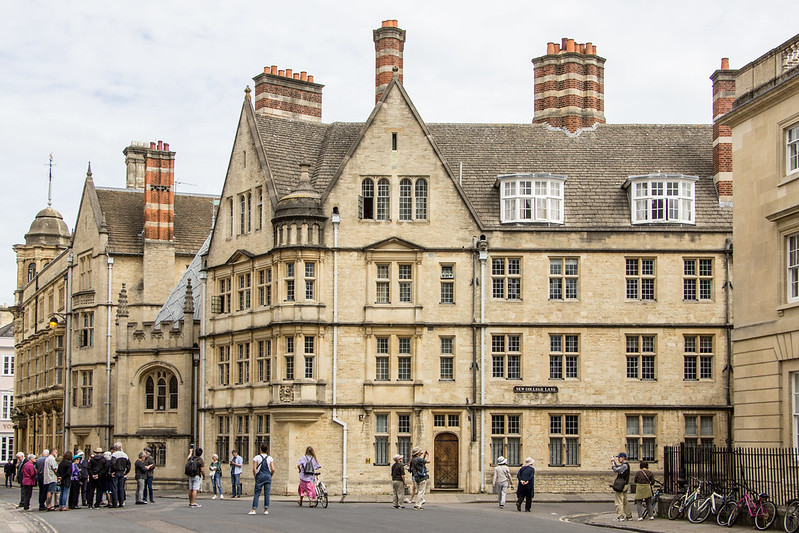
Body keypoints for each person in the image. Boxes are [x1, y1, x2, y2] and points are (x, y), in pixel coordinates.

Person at [249, 443, 274, 515]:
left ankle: (254, 509)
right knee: (267, 493)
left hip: (260, 475)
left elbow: (254, 469)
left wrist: (255, 476)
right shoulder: (270, 458)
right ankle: (266, 509)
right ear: (267, 450)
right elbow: (273, 469)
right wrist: (270, 475)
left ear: (260, 449)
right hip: (267, 476)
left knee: (257, 493)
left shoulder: (256, 457)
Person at [611, 452, 632, 521]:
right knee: (625, 501)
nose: (618, 459)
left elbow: (616, 470)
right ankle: (629, 516)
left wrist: (613, 464)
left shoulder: (624, 465)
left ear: (623, 457)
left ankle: (620, 516)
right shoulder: (625, 465)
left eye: (619, 457)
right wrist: (614, 463)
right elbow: (618, 467)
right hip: (625, 485)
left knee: (618, 500)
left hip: (621, 485)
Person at [110, 442, 131, 508]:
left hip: (116, 472)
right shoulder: (125, 455)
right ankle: (121, 503)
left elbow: (113, 464)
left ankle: (115, 503)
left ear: (116, 448)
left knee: (114, 488)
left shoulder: (114, 454)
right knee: (121, 488)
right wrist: (126, 471)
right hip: (122, 472)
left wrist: (112, 471)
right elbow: (129, 464)